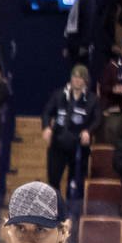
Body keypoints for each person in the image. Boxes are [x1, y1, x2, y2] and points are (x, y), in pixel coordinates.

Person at [42, 65, 102, 193]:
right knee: (53, 179)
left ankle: (73, 211)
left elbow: (98, 120)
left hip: (79, 145)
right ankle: (55, 209)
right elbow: (47, 112)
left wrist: (88, 131)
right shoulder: (59, 94)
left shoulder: (92, 99)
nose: (77, 80)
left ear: (85, 81)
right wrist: (47, 127)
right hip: (58, 142)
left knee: (76, 182)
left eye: (80, 78)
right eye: (75, 77)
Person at [62, 0, 99, 70]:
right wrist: (68, 46)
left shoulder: (89, 0)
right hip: (74, 46)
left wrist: (84, 46)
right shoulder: (78, 0)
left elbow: (88, 24)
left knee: (81, 75)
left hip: (81, 48)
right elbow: (71, 26)